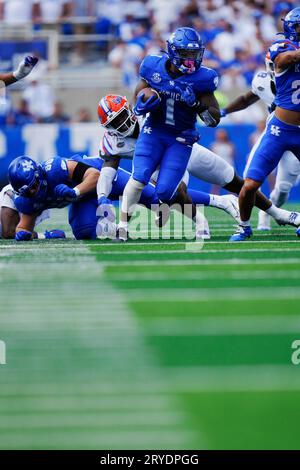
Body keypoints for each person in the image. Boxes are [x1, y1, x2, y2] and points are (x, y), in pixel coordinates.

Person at [117, 27, 221, 241]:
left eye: (195, 53)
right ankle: (122, 226)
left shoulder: (204, 78)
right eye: (186, 54)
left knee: (165, 192)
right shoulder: (152, 66)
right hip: (153, 131)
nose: (192, 59)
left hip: (181, 138)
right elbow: (139, 91)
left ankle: (199, 219)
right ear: (173, 52)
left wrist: (197, 105)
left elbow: (213, 119)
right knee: (139, 178)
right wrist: (142, 102)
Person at [229, 6, 300, 241]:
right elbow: (285, 58)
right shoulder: (281, 47)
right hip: (279, 129)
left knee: (283, 186)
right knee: (249, 185)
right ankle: (244, 226)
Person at [221, 58, 300, 231]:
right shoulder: (262, 80)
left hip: (296, 133)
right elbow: (245, 99)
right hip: (275, 135)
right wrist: (224, 111)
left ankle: (266, 213)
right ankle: (255, 221)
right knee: (250, 181)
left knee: (283, 189)